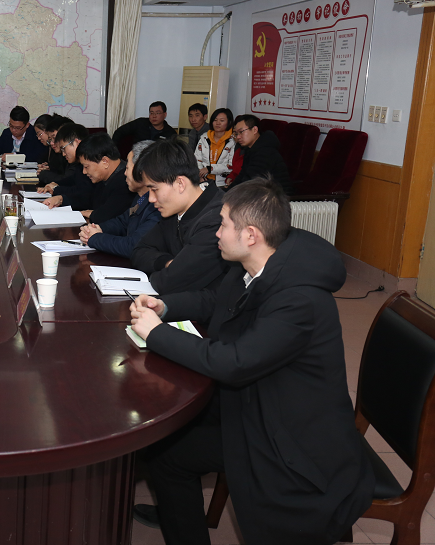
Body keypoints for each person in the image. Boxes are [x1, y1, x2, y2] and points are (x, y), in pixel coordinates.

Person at [129, 177, 373, 545]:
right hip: (256, 404)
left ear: (251, 235)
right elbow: (215, 301)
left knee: (171, 451)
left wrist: (157, 334)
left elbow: (236, 362)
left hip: (288, 438)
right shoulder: (259, 262)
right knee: (166, 448)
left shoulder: (300, 300)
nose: (216, 233)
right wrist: (165, 307)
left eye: (223, 224)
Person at [131, 138, 229, 294]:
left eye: (154, 189)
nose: (151, 199)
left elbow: (169, 283)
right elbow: (139, 251)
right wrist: (167, 262)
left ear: (180, 184)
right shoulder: (174, 210)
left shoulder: (218, 220)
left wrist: (162, 272)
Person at [79, 140, 162, 258]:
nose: (125, 173)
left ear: (142, 171)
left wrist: (95, 238)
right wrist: (98, 229)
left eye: (127, 168)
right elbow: (123, 222)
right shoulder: (142, 197)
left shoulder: (159, 205)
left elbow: (134, 245)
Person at [72, 133, 135, 222]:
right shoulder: (103, 177)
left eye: (86, 167)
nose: (84, 172)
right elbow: (87, 199)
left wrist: (94, 214)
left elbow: (105, 216)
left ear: (105, 161)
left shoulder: (125, 182)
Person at [226, 114, 293, 194]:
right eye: (236, 133)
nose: (238, 137)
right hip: (260, 194)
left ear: (255, 130)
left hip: (276, 197)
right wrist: (226, 193)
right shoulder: (250, 149)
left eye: (241, 132)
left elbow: (251, 182)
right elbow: (242, 176)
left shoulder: (265, 152)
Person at [40, 123, 92, 211]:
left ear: (76, 142)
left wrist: (56, 189)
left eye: (64, 148)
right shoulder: (79, 164)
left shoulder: (91, 162)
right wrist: (55, 185)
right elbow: (72, 180)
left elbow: (83, 192)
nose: (63, 154)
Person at [193, 107, 235, 188]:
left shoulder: (233, 141)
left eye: (222, 120)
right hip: (203, 181)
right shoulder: (204, 138)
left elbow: (231, 166)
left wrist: (210, 169)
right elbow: (196, 159)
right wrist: (200, 176)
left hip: (223, 183)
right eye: (215, 120)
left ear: (229, 122)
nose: (217, 123)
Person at [111, 101, 177, 150]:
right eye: (151, 113)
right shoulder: (140, 123)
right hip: (137, 158)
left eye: (157, 113)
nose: (154, 116)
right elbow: (119, 132)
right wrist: (114, 150)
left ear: (165, 115)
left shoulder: (170, 133)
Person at [37, 114, 75, 185]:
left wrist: (44, 174)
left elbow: (67, 181)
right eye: (50, 139)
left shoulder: (76, 157)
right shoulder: (61, 154)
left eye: (55, 138)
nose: (52, 143)